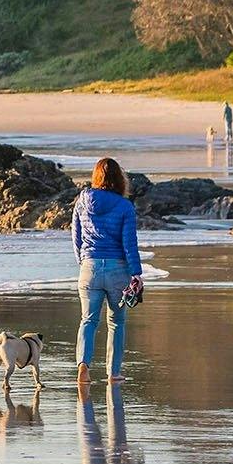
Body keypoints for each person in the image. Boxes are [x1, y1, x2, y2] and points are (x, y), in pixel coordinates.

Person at [73, 157, 142, 385]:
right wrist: (136, 274)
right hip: (117, 269)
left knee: (88, 320)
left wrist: (82, 261)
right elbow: (129, 243)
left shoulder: (82, 200)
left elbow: (76, 236)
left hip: (89, 267)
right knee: (117, 322)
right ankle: (113, 373)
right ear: (118, 179)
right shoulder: (125, 207)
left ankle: (83, 365)